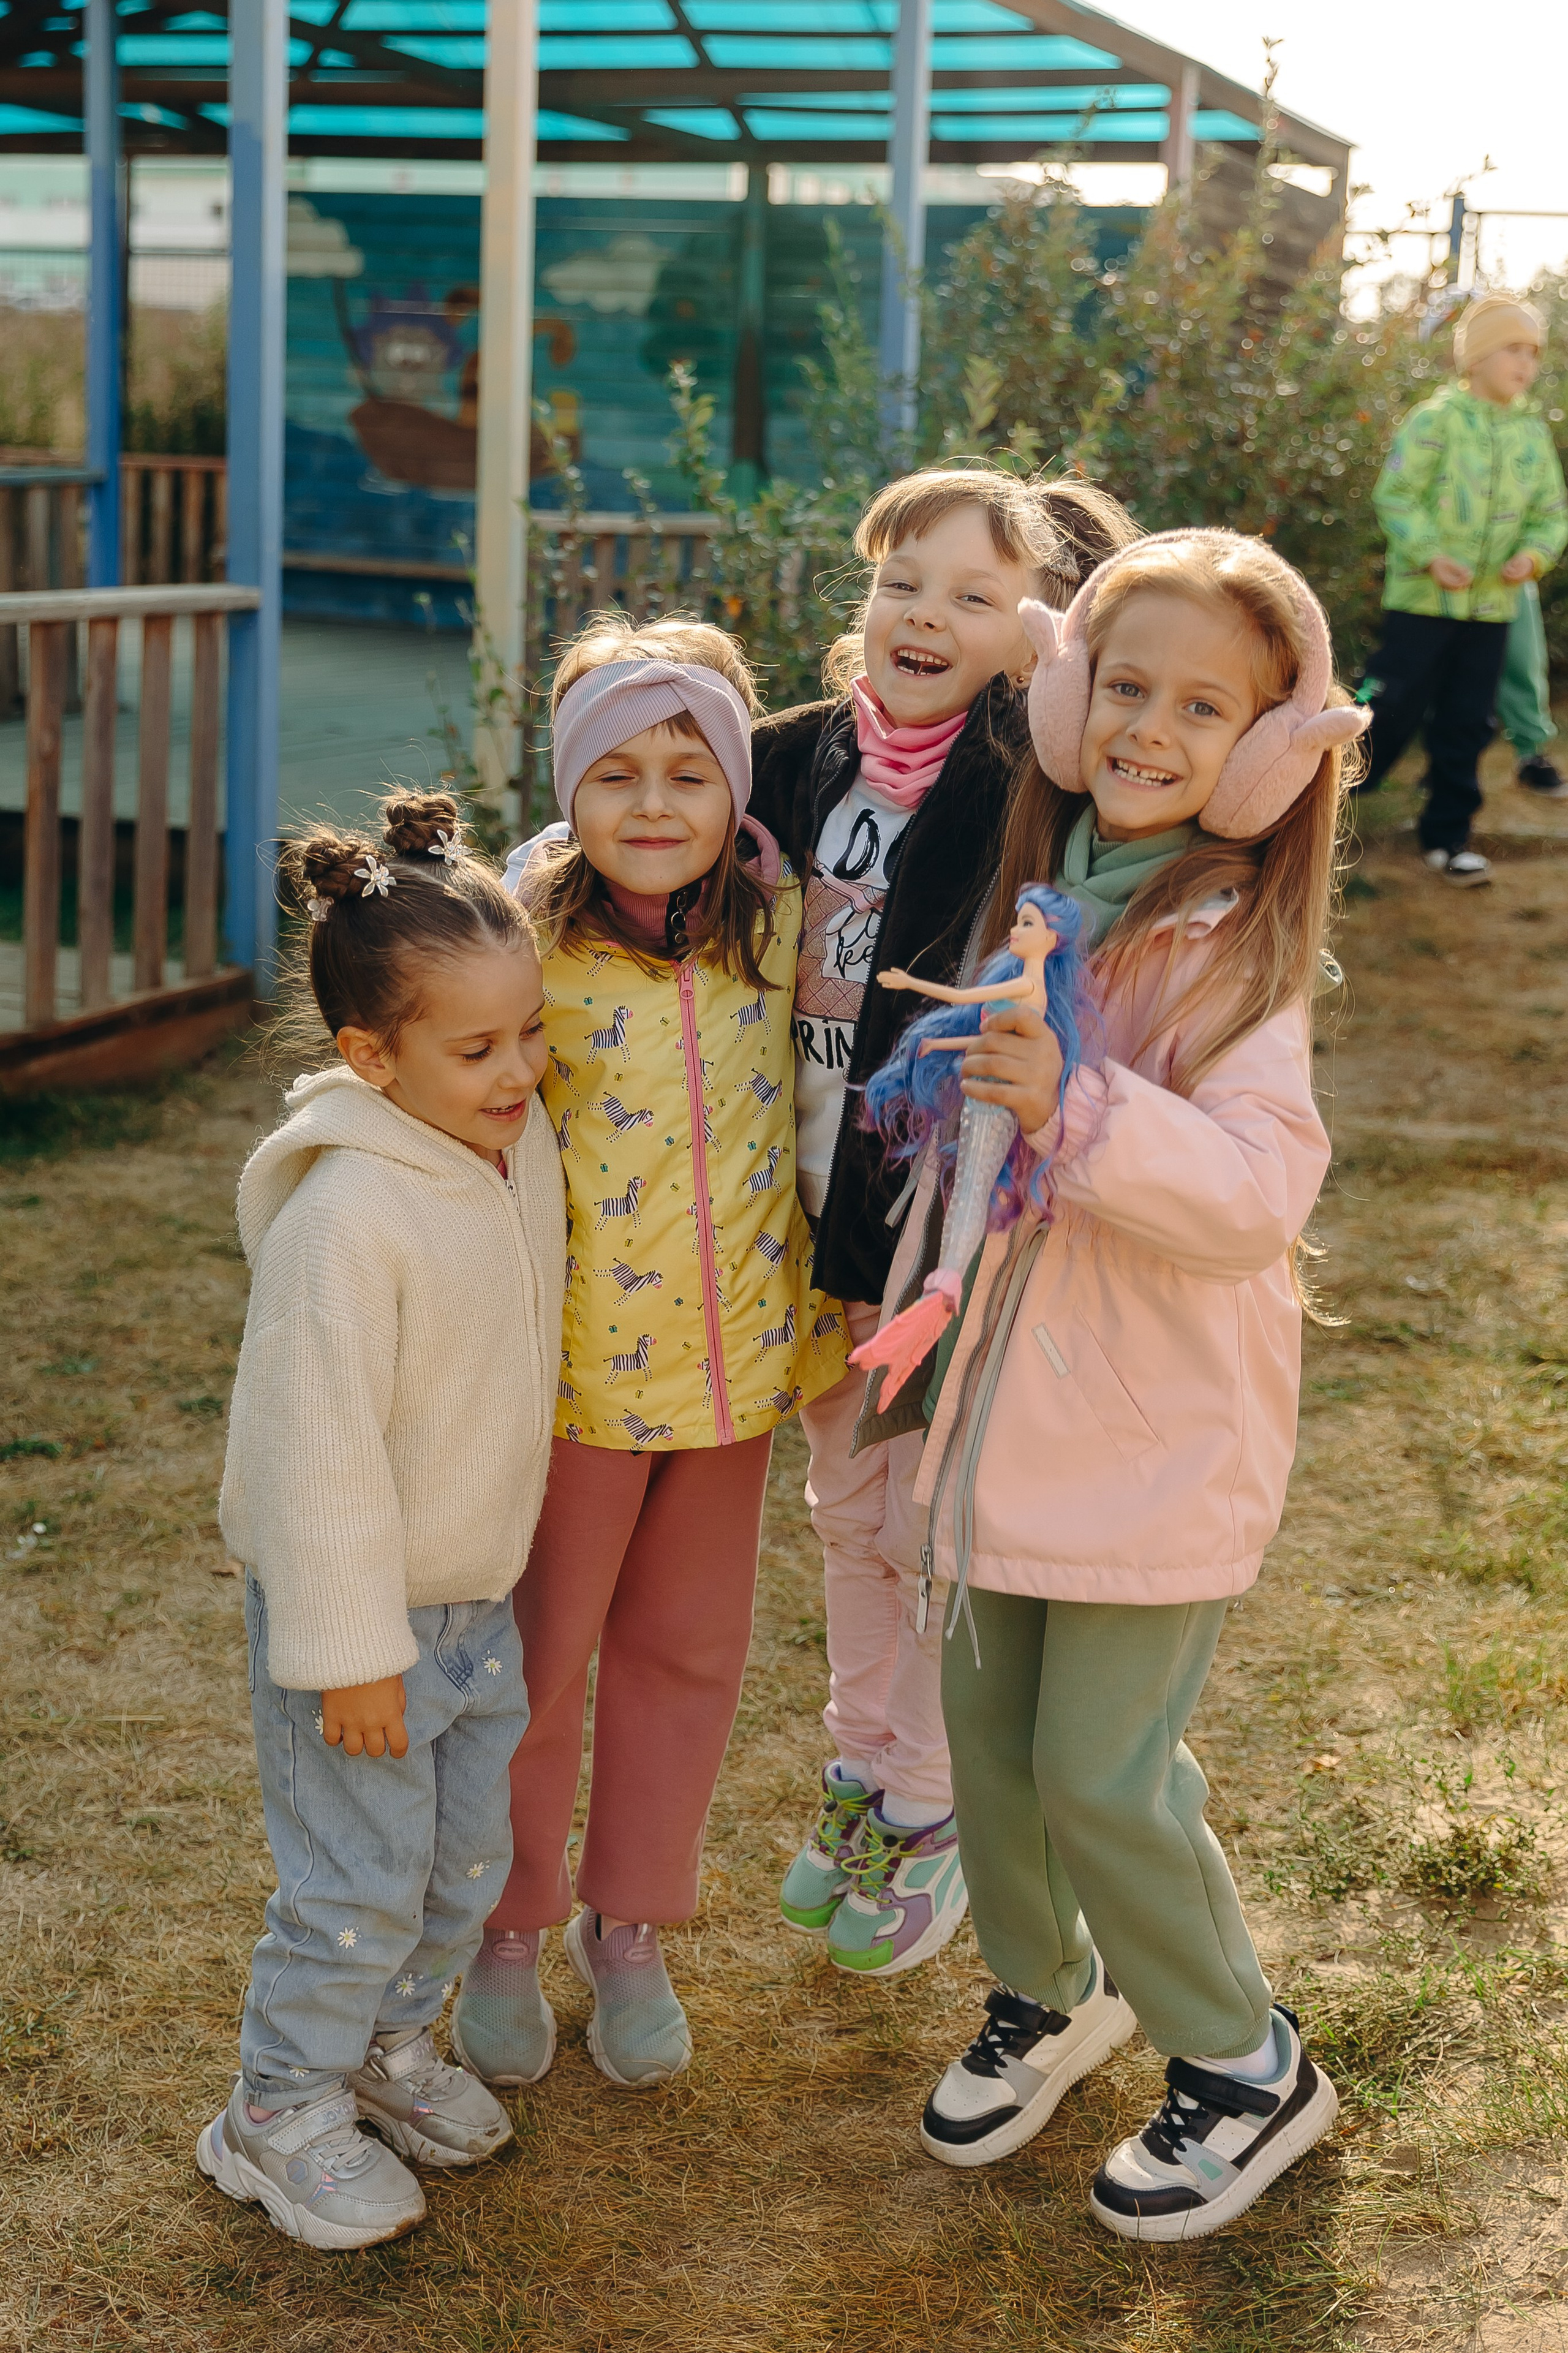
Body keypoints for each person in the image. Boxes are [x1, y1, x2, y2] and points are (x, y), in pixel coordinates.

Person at [876, 529, 1366, 2240]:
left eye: (1204, 703)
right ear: (1075, 702)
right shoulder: (1055, 889)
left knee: (1104, 1772)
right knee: (990, 1749)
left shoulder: (1237, 950)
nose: (1154, 726)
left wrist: (1073, 1106)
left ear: (1267, 747)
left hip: (1153, 1432)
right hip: (1013, 1410)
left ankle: (1243, 2061)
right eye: (1127, 686)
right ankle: (1049, 1985)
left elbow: (1256, 1200)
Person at [748, 464, 1139, 1979]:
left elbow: (1094, 707)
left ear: (1033, 633)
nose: (925, 612)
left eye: (977, 596)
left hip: (920, 1233)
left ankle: (931, 1804)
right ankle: (863, 1760)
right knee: (842, 1508)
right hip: (795, 1223)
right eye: (900, 579)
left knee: (918, 1515)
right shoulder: (796, 762)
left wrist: (1051, 643)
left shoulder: (1014, 787)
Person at [453, 618, 843, 2091]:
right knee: (539, 1667)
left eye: (689, 771)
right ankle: (507, 1918)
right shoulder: (516, 935)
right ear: (567, 790)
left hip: (736, 1368)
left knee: (686, 1654)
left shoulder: (780, 915)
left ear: (734, 786)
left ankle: (627, 1920)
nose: (656, 803)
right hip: (571, 1381)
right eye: (615, 774)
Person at [197, 793, 567, 2249]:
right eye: (478, 1048)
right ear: (368, 1056)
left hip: (473, 1604)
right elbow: (314, 1453)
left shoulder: (498, 1144)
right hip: (353, 1626)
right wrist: (347, 1651)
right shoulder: (343, 1217)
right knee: (350, 1877)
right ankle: (274, 2108)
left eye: (529, 1031)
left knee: (458, 1858)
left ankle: (388, 2049)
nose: (521, 1069)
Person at [1358, 292, 1567, 885]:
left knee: (1466, 721)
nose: (1525, 363)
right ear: (1474, 358)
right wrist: (1429, 555)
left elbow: (1551, 514)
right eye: (1512, 349)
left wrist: (1532, 556)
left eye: (1533, 352)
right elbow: (1395, 495)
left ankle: (1448, 838)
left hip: (1490, 610)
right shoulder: (1434, 421)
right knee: (1386, 706)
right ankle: (1323, 798)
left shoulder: (1530, 434)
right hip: (1422, 604)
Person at [1499, 578, 1566, 799]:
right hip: (1445, 578)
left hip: (1511, 574)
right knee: (1447, 669)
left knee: (1523, 662)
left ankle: (1530, 757)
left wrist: (1531, 556)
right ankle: (1442, 761)